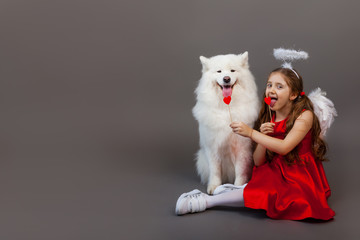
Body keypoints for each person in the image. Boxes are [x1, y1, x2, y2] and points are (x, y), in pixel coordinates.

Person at [175, 66, 335, 220]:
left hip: (299, 173)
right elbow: (258, 161)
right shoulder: (271, 114)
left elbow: (285, 147)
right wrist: (263, 139)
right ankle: (214, 199)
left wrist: (252, 133)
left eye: (279, 87)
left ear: (293, 94)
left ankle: (209, 200)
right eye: (269, 85)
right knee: (263, 191)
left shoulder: (305, 116)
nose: (271, 90)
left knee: (276, 197)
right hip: (278, 169)